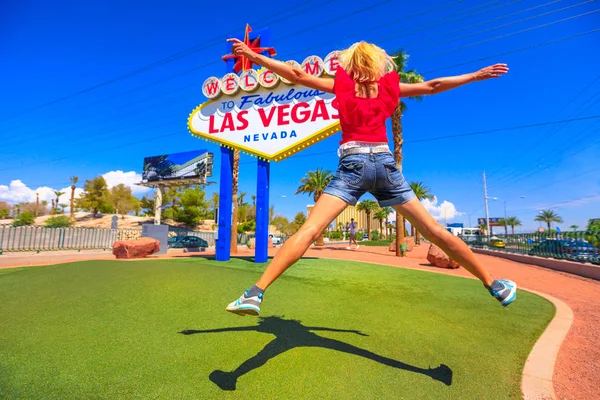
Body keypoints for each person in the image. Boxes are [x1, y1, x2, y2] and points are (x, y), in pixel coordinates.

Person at [225, 39, 517, 316]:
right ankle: (493, 285)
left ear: (350, 63)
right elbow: (432, 85)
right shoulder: (389, 87)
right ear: (379, 63)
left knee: (310, 230)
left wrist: (253, 57)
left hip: (353, 164)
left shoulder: (341, 85)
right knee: (433, 230)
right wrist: (476, 75)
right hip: (385, 164)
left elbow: (296, 74)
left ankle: (255, 292)